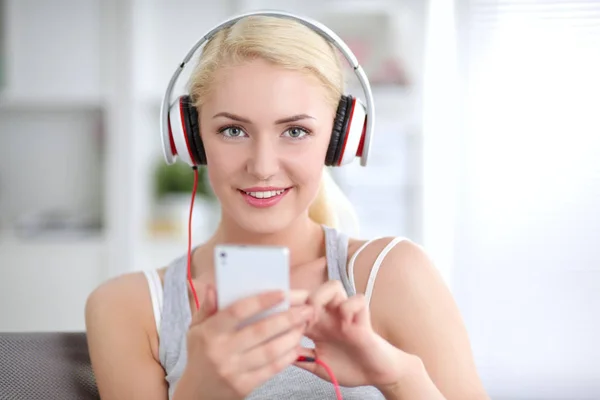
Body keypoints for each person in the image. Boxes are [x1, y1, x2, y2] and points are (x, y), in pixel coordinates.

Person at [85, 14, 489, 400]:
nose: (262, 167)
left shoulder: (393, 274)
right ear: (191, 137)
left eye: (295, 131)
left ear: (339, 140)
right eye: (233, 130)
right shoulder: (128, 307)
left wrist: (399, 377)